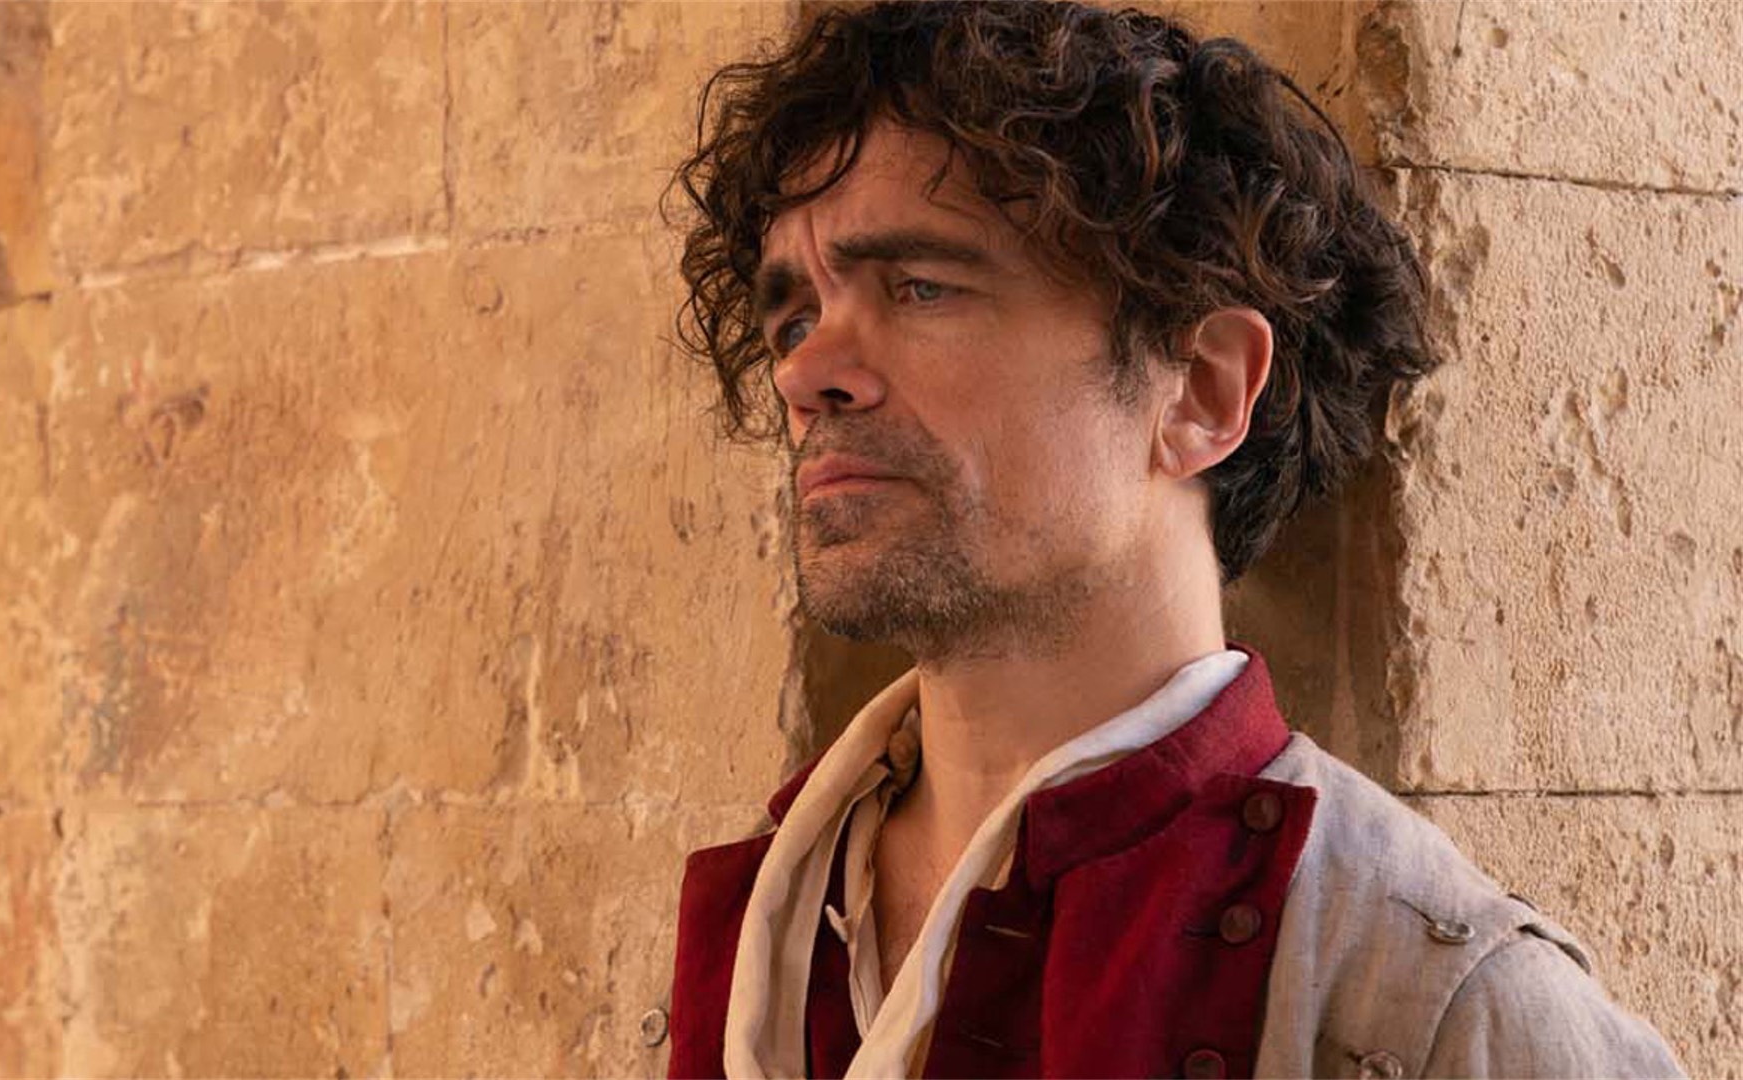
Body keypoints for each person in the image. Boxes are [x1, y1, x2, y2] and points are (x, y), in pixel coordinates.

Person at [663, 4, 1682, 1077]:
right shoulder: (773, 923)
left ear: (1201, 389)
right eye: (793, 319)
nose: (804, 372)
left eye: (922, 288)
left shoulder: (1449, 1012)